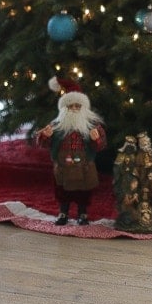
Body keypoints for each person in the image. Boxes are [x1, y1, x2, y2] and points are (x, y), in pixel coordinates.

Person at [36, 81, 106, 225]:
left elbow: (101, 146)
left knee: (83, 191)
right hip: (63, 164)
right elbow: (44, 144)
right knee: (63, 190)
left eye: (77, 106)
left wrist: (96, 139)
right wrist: (46, 136)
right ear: (64, 108)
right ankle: (63, 212)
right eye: (70, 106)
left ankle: (82, 213)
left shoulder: (93, 126)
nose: (74, 109)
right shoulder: (56, 126)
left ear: (83, 108)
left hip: (84, 165)